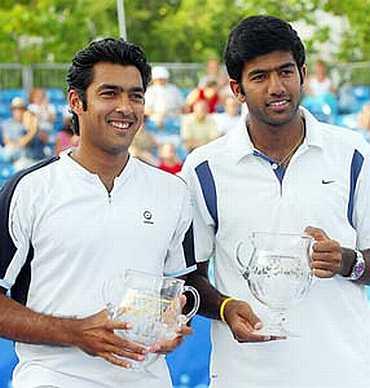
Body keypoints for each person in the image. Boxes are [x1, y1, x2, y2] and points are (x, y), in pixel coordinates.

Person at [181, 15, 370, 388]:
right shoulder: (204, 168)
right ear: (236, 88)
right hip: (245, 376)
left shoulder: (352, 154)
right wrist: (224, 307)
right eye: (259, 76)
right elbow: (189, 277)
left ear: (302, 73)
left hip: (342, 371)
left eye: (285, 72)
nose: (276, 87)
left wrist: (348, 261)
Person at [0, 38, 196, 388]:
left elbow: (181, 285)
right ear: (77, 102)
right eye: (110, 94)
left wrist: (172, 320)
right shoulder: (29, 189)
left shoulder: (172, 192)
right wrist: (76, 332)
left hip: (147, 380)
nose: (125, 107)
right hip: (53, 379)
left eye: (136, 95)